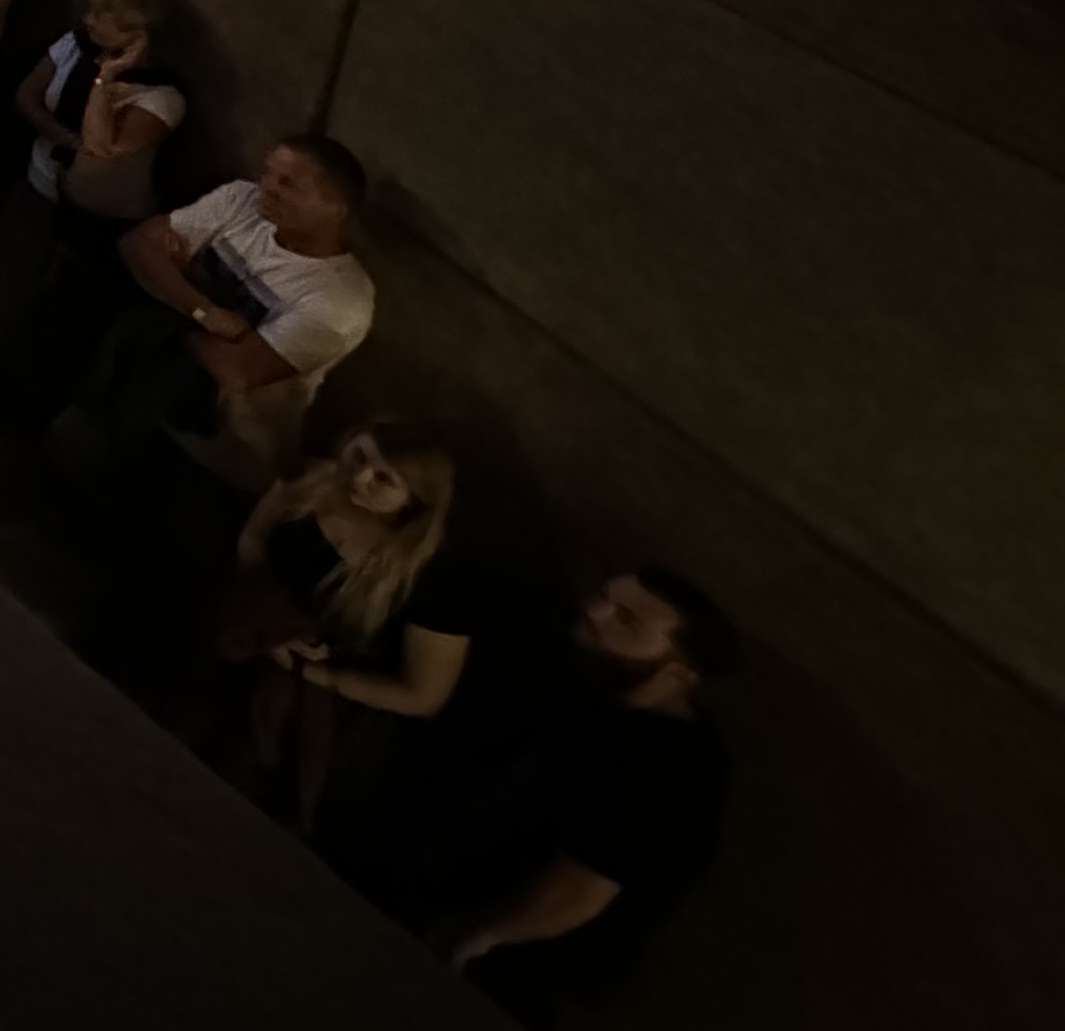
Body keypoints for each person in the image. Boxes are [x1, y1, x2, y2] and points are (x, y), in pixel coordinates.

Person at [403, 569, 738, 1025]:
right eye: (603, 595)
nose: (595, 611)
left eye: (626, 620)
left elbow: (581, 888)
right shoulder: (596, 698)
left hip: (513, 969)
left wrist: (474, 936)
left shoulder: (668, 764)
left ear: (678, 671)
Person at [226, 421, 481, 834]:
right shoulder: (312, 481)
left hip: (346, 693)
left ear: (412, 502)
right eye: (359, 456)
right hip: (257, 635)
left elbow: (422, 696)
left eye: (383, 479)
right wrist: (261, 607)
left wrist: (315, 672)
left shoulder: (435, 578)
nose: (359, 477)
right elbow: (253, 540)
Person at [98, 134, 380, 488]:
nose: (267, 187)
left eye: (288, 184)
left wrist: (173, 290)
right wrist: (204, 312)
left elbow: (236, 371)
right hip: (146, 397)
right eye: (268, 173)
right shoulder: (241, 199)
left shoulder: (340, 298)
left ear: (336, 209)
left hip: (222, 457)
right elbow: (136, 244)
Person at [0, 0, 185, 405]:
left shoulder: (161, 96)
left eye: (102, 15)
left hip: (97, 221)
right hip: (42, 183)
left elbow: (104, 145)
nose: (88, 19)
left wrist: (105, 79)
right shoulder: (75, 45)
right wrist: (62, 138)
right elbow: (28, 95)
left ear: (138, 36)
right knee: (7, 272)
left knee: (48, 306)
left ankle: (11, 391)